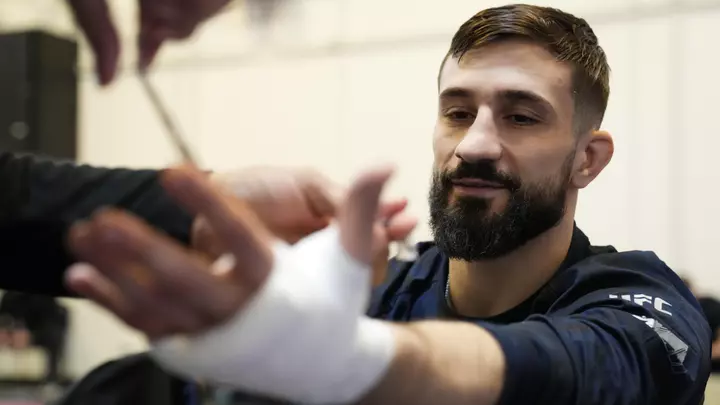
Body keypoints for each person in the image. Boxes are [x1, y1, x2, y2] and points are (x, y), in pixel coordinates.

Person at [65, 4, 711, 405]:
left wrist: (357, 359)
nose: (475, 144)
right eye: (458, 112)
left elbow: (571, 371)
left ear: (587, 158)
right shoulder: (375, 295)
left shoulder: (639, 307)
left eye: (521, 116)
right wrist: (225, 345)